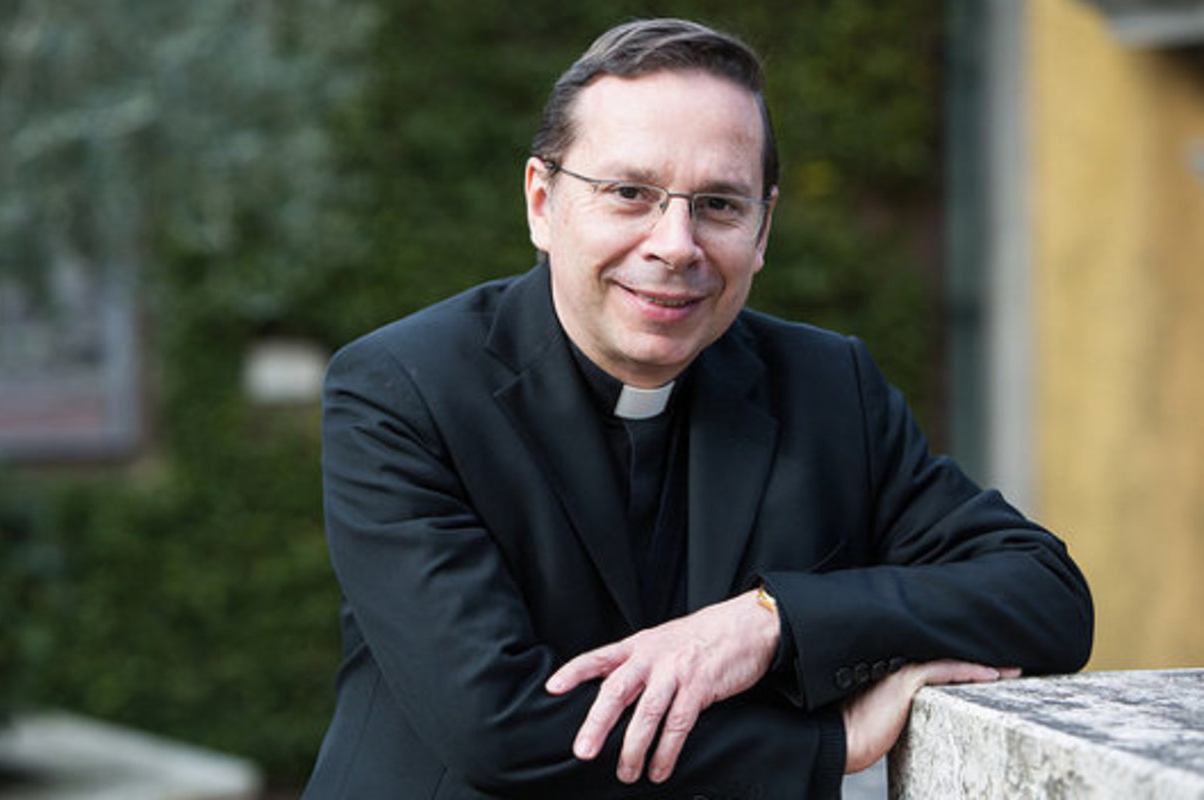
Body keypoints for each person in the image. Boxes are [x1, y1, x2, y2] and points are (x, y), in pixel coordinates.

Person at [304, 18, 1093, 799]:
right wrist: (831, 745)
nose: (676, 245)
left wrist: (770, 622)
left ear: (763, 228)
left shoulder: (828, 388)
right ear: (543, 203)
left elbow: (1045, 596)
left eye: (718, 204)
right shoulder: (403, 391)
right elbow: (500, 728)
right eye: (629, 194)